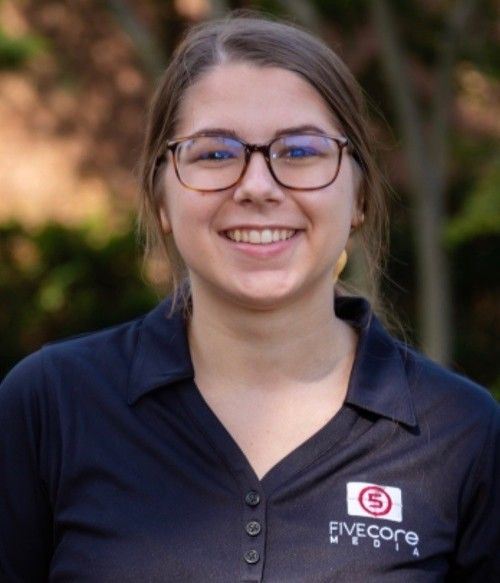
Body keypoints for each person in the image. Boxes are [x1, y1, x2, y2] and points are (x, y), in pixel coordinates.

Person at [0, 13, 498, 583]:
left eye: (301, 151)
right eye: (214, 154)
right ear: (161, 199)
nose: (257, 187)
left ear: (359, 195)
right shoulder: (51, 406)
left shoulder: (460, 433)